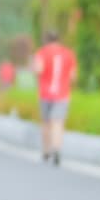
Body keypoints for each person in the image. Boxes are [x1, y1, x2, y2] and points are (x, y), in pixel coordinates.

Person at [32, 31, 76, 166]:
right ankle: (56, 149)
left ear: (47, 40)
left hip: (45, 93)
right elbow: (73, 76)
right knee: (58, 123)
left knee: (46, 123)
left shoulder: (42, 52)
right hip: (62, 94)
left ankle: (46, 151)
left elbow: (38, 69)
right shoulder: (68, 54)